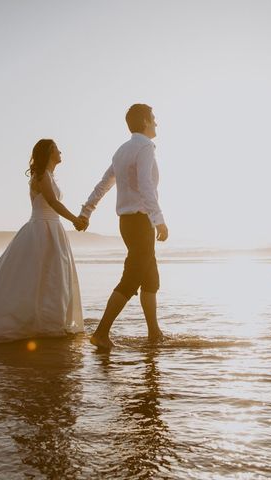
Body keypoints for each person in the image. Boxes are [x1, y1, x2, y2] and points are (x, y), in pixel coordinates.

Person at [0, 139, 87, 342]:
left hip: (52, 228)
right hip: (43, 230)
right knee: (39, 277)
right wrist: (75, 219)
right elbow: (52, 202)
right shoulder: (41, 176)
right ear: (49, 153)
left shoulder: (47, 176)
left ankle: (50, 322)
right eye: (57, 149)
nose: (61, 152)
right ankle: (41, 324)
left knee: (52, 278)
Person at [78, 104, 168, 350]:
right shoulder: (145, 147)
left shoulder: (122, 150)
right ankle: (101, 333)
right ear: (145, 121)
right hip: (140, 221)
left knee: (150, 279)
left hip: (128, 222)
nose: (157, 123)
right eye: (154, 118)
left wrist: (86, 211)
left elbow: (103, 184)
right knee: (131, 278)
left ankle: (154, 333)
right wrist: (158, 219)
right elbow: (146, 185)